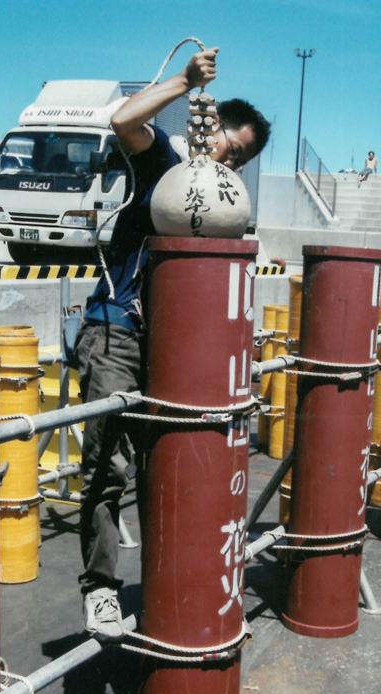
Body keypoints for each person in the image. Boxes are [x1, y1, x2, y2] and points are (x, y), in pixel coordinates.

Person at [73, 47, 271, 641]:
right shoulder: (164, 163)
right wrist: (184, 82)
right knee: (107, 466)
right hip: (118, 331)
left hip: (176, 349)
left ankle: (179, 583)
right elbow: (122, 122)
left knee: (175, 463)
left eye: (240, 160)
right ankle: (101, 589)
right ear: (208, 129)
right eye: (227, 147)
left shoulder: (221, 204)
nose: (226, 162)